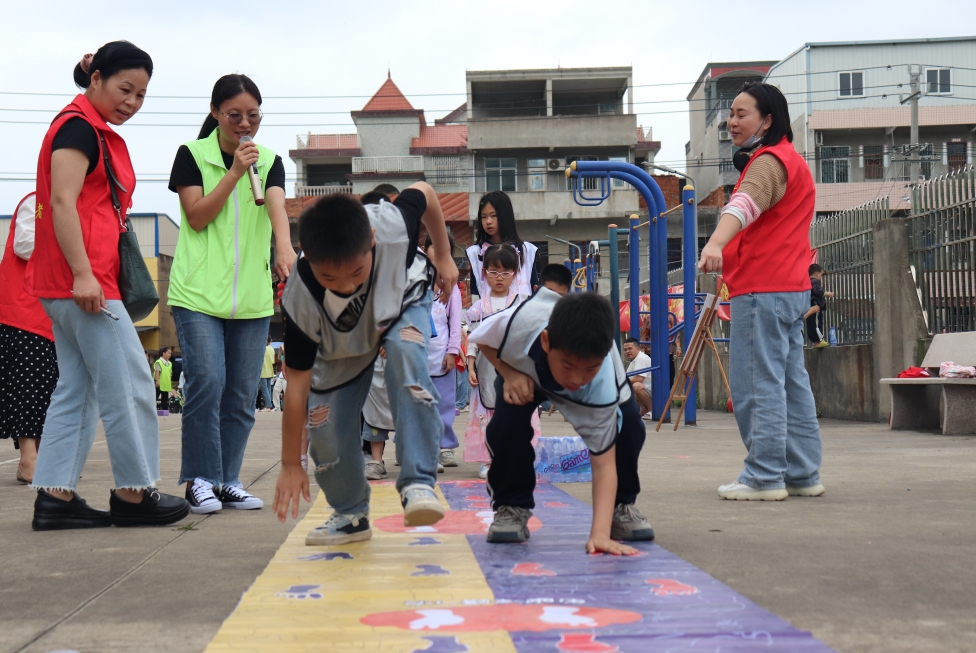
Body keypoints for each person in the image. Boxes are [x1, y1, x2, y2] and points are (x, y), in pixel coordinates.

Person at [26, 41, 190, 529]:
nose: (132, 102)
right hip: (83, 281)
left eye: (141, 95)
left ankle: (55, 497)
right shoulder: (78, 128)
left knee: (79, 387)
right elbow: (61, 201)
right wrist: (83, 274)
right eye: (125, 89)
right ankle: (134, 494)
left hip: (72, 282)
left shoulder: (82, 124)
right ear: (95, 79)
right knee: (133, 383)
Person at [272, 183, 459, 545]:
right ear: (306, 256)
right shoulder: (300, 296)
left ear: (372, 239)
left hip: (401, 302)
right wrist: (290, 463)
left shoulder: (392, 226)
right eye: (330, 278)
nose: (344, 286)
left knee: (407, 359)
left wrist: (445, 253)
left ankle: (419, 483)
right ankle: (350, 514)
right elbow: (296, 387)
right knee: (324, 425)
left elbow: (426, 193)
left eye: (356, 273)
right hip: (344, 344)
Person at [168, 74, 296, 514]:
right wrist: (235, 172)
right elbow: (198, 216)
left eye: (253, 116)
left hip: (251, 296)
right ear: (215, 113)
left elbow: (276, 204)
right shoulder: (193, 155)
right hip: (197, 294)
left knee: (242, 393)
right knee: (208, 382)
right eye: (235, 115)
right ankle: (199, 479)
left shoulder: (271, 160)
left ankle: (227, 479)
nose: (245, 124)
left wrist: (284, 246)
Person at [698, 81, 824, 502]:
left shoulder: (768, 161)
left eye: (742, 114)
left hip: (761, 288)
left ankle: (764, 476)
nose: (732, 122)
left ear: (767, 120)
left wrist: (715, 242)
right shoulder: (793, 161)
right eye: (730, 114)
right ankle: (803, 474)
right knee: (791, 383)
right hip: (791, 288)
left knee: (757, 384)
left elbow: (743, 206)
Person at [469, 291, 655, 552]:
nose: (577, 379)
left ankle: (619, 506)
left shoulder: (602, 384)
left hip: (601, 386)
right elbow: (481, 339)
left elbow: (603, 464)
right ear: (545, 341)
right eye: (568, 366)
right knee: (506, 424)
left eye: (589, 368)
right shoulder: (520, 323)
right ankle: (511, 507)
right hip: (525, 371)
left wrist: (599, 535)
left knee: (629, 427)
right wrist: (509, 373)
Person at [465, 244, 540, 479]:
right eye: (493, 272)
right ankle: (489, 460)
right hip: (487, 369)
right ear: (484, 273)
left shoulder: (524, 303)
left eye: (505, 273)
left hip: (517, 368)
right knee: (488, 415)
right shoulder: (478, 308)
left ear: (515, 274)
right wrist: (470, 365)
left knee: (517, 415)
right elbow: (473, 340)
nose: (499, 278)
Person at [0, 193, 58, 485]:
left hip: (50, 313)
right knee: (30, 384)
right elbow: (24, 245)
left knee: (49, 385)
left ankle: (40, 457)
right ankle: (28, 459)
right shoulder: (37, 202)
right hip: (24, 311)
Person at [424, 230, 463, 469]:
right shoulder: (414, 280)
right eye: (433, 248)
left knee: (445, 405)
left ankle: (445, 447)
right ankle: (413, 447)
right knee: (415, 405)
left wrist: (452, 351)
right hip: (415, 357)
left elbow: (455, 322)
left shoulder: (453, 287)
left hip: (442, 358)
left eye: (443, 251)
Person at [466, 191, 538, 299]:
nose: (488, 221)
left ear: (506, 216)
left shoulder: (526, 250)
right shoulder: (475, 253)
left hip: (521, 314)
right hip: (490, 314)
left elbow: (534, 289)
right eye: (484, 217)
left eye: (494, 215)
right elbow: (475, 294)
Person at [623, 338, 652, 418]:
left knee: (636, 386)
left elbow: (639, 379)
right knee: (628, 386)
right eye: (625, 350)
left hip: (652, 388)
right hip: (646, 387)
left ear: (638, 348)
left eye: (630, 348)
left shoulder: (640, 358)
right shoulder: (634, 360)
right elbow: (628, 376)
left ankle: (651, 410)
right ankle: (643, 409)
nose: (627, 351)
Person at [807, 264, 833, 348]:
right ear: (817, 274)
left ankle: (815, 341)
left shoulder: (808, 281)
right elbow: (816, 291)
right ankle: (819, 340)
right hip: (815, 305)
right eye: (821, 275)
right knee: (817, 322)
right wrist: (826, 293)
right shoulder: (815, 281)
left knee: (811, 323)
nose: (821, 278)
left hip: (810, 305)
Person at [153, 346, 174, 412]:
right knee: (155, 397)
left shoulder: (170, 363)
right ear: (163, 353)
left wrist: (170, 382)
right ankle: (151, 411)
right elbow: (157, 371)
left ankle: (165, 412)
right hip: (159, 382)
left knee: (165, 399)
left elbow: (170, 373)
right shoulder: (158, 362)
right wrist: (157, 381)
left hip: (166, 383)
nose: (170, 355)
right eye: (168, 353)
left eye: (170, 353)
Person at [259, 337, 275, 411]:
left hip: (263, 371)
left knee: (264, 389)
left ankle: (268, 405)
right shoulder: (272, 349)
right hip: (270, 371)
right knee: (268, 389)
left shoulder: (262, 349)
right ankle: (269, 405)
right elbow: (273, 361)